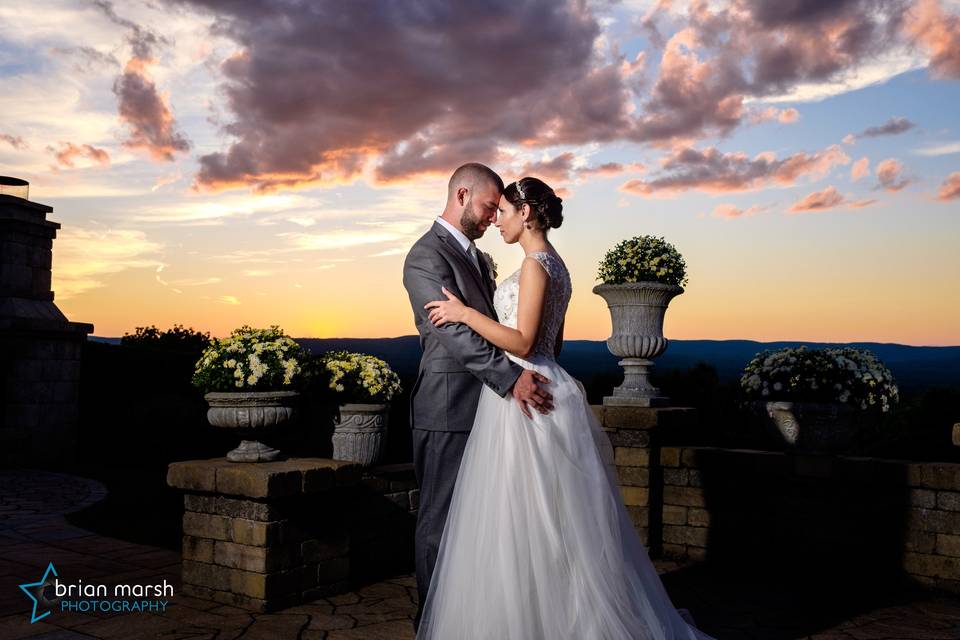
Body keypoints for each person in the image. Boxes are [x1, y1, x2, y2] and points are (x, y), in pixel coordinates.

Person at [416, 176, 715, 639]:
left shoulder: (534, 267)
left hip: (522, 392)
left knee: (522, 516)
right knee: (552, 518)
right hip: (545, 380)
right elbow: (553, 344)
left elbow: (525, 341)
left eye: (505, 212)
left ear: (527, 214)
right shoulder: (558, 266)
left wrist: (467, 314)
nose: (497, 220)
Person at [401, 163, 555, 632]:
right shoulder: (426, 255)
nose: (493, 217)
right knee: (440, 522)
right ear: (463, 195)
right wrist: (510, 379)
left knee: (480, 523)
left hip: (490, 410)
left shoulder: (473, 255)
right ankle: (432, 622)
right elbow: (453, 335)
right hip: (448, 407)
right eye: (490, 207)